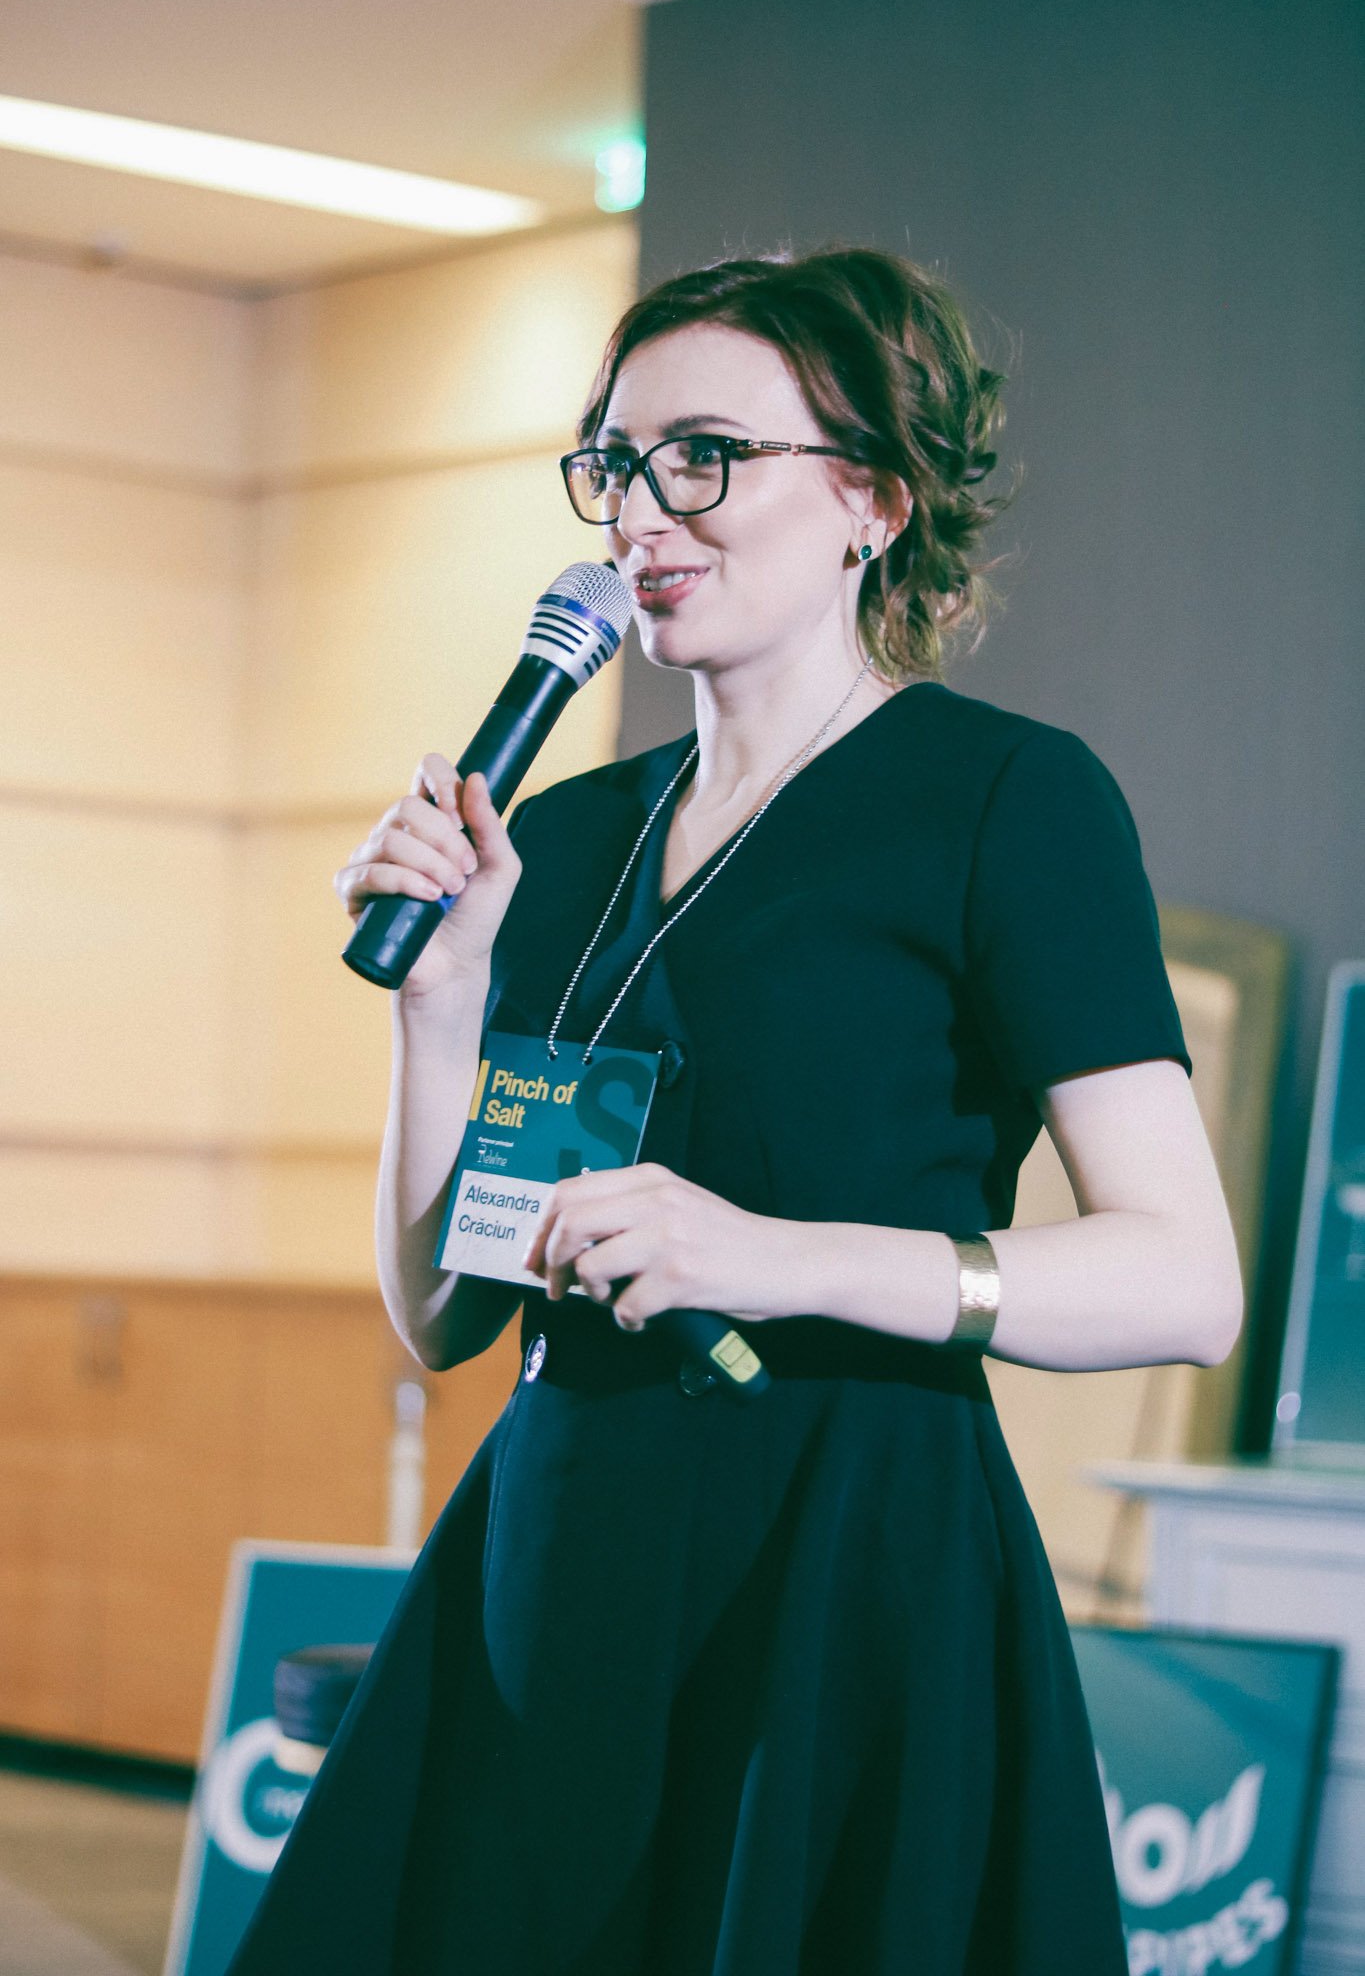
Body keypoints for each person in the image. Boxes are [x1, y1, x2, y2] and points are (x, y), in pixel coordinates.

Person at [226, 247, 1243, 1975]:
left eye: (702, 455)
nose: (640, 509)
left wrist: (773, 1255)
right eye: (614, 462)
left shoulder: (1004, 798)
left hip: (844, 1553)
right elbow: (447, 1316)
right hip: (557, 1548)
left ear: (870, 498)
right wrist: (440, 1009)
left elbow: (1181, 1281)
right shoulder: (560, 835)